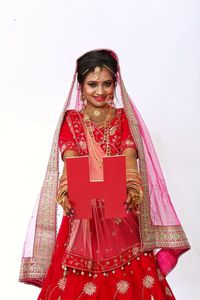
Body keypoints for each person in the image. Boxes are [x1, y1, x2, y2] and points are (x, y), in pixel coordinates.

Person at [19, 49, 190, 299]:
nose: (100, 91)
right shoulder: (71, 121)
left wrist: (132, 187)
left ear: (116, 84)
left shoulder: (123, 119)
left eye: (107, 84)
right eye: (92, 84)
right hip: (82, 211)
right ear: (80, 86)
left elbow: (129, 155)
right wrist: (68, 191)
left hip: (120, 206)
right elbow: (71, 157)